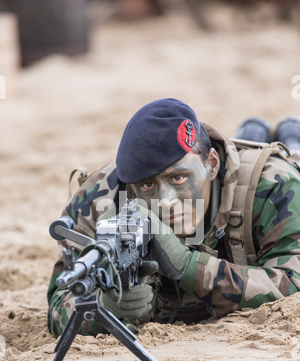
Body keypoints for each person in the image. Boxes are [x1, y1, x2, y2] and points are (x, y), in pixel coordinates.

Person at [47, 98, 300, 337]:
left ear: (212, 165)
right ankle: (253, 129)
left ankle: (283, 132)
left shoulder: (274, 184)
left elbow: (294, 283)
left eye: (178, 178)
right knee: (252, 132)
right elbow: (60, 304)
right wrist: (103, 308)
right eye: (147, 185)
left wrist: (188, 266)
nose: (166, 200)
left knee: (292, 150)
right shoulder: (98, 201)